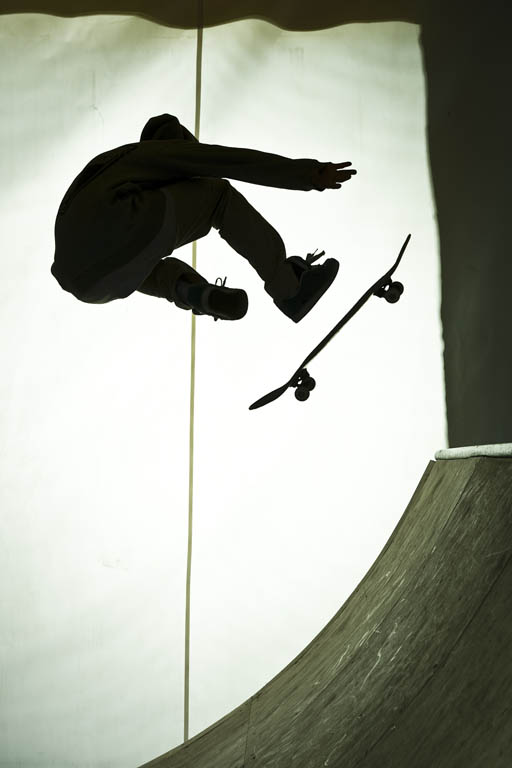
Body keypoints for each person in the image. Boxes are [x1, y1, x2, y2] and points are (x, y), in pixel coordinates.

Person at [51, 113, 356, 323]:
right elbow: (226, 162)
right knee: (217, 196)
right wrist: (307, 174)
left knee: (146, 266)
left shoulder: (115, 165)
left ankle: (192, 292)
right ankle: (289, 287)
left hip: (83, 280)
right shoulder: (157, 155)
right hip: (119, 216)